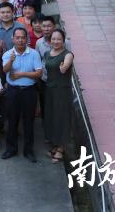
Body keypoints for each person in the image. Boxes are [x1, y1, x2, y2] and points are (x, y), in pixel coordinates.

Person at [1, 28, 43, 163]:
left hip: (29, 91)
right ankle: (11, 149)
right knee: (12, 120)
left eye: (23, 37)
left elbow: (39, 73)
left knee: (28, 121)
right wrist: (11, 60)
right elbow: (5, 70)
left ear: (27, 39)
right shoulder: (8, 54)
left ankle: (29, 151)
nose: (20, 40)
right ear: (13, 39)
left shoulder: (34, 54)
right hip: (12, 91)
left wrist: (21, 74)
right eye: (17, 37)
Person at [43, 29, 74, 163]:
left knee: (62, 119)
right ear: (50, 41)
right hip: (49, 90)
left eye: (58, 39)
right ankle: (55, 145)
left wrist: (63, 68)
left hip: (62, 91)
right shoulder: (46, 53)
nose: (56, 41)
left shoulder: (68, 54)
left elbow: (65, 65)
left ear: (63, 40)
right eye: (53, 39)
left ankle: (61, 149)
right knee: (51, 117)